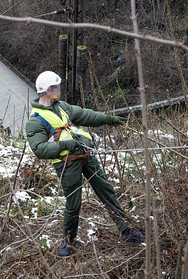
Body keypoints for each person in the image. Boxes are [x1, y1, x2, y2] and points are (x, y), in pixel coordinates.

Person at [26, 71, 145, 257]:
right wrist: (65, 145)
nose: (60, 89)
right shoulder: (35, 121)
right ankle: (67, 241)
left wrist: (108, 119)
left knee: (106, 190)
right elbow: (39, 149)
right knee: (73, 204)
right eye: (57, 87)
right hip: (66, 164)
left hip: (86, 155)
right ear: (49, 90)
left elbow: (84, 115)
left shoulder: (62, 107)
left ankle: (126, 229)